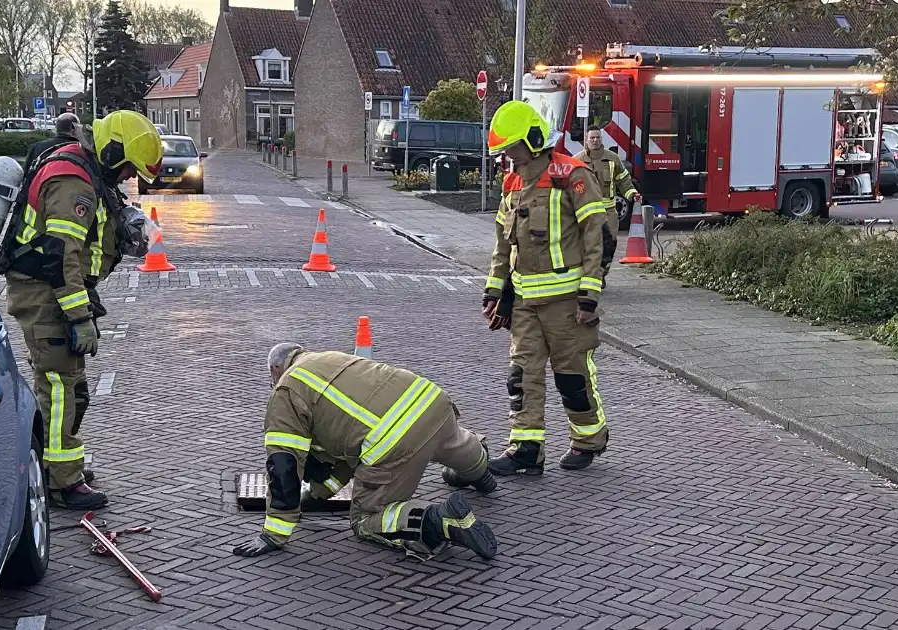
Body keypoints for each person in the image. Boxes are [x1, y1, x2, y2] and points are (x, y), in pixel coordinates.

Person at [2, 110, 162, 510]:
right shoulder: (74, 182)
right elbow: (61, 255)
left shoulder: (88, 173)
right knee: (59, 387)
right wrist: (78, 316)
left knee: (72, 388)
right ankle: (60, 483)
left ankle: (61, 465)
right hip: (45, 293)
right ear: (111, 152)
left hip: (56, 291)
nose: (128, 178)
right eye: (127, 169)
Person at [231, 344, 499, 560]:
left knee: (365, 519)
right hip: (432, 401)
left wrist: (274, 532)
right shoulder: (328, 358)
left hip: (395, 439)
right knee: (457, 445)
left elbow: (284, 464)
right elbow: (348, 449)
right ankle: (479, 468)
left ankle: (438, 521)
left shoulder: (286, 390)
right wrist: (318, 494)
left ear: (274, 369)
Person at [481, 100, 610, 476]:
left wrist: (589, 295)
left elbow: (597, 236)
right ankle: (526, 448)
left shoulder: (572, 175)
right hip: (524, 303)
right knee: (522, 375)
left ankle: (588, 438)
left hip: (567, 302)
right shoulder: (513, 183)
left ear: (533, 140)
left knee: (571, 376)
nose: (507, 157)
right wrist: (496, 292)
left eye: (511, 148)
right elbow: (504, 245)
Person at [572, 125, 640, 280]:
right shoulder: (577, 160)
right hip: (585, 214)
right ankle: (589, 274)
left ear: (601, 139)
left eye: (598, 137)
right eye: (592, 138)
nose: (595, 141)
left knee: (609, 245)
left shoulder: (612, 159)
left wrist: (632, 194)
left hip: (608, 213)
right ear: (586, 140)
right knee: (587, 245)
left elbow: (624, 180)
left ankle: (602, 273)